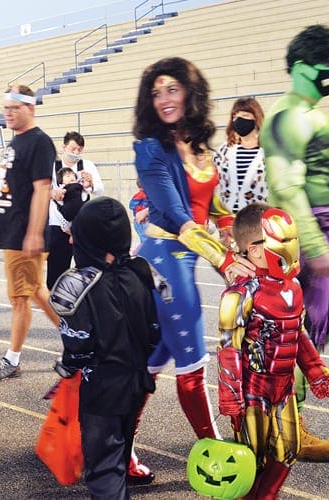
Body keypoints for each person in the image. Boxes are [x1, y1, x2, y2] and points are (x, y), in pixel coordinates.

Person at [132, 57, 256, 476]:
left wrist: (228, 233)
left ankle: (117, 449)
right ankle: (216, 456)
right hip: (165, 261)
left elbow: (215, 205)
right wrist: (224, 260)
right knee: (191, 361)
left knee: (152, 361)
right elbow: (172, 214)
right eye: (156, 92)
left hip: (187, 260)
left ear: (190, 91)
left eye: (172, 89)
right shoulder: (150, 148)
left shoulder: (201, 146)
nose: (164, 99)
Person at [217, 203, 329, 497]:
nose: (292, 247)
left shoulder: (292, 287)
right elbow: (228, 349)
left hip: (283, 389)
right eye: (284, 241)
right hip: (251, 392)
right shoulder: (240, 294)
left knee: (287, 450)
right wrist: (231, 395)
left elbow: (297, 333)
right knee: (250, 459)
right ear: (256, 249)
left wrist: (315, 370)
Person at [260, 24, 329, 462]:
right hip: (309, 242)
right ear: (302, 66)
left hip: (324, 235)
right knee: (300, 338)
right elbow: (289, 190)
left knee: (311, 337)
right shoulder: (288, 117)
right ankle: (291, 427)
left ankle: (287, 423)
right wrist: (317, 248)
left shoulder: (313, 113)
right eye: (326, 68)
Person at [52, 197, 160, 500]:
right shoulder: (141, 272)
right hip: (136, 382)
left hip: (100, 389)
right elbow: (156, 330)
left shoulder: (78, 284)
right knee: (120, 455)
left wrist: (68, 367)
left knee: (103, 470)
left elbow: (79, 345)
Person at [0, 84, 60, 382]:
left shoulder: (39, 142)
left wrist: (34, 232)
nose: (9, 113)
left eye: (15, 108)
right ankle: (78, 339)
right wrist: (1, 225)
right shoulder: (15, 143)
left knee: (20, 299)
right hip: (14, 229)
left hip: (26, 232)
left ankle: (12, 358)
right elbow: (10, 187)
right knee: (36, 292)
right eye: (6, 108)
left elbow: (42, 189)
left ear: (31, 108)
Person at [46, 131, 104, 289]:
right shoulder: (53, 166)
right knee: (57, 268)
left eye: (80, 149)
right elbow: (43, 189)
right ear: (63, 147)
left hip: (83, 223)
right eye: (73, 148)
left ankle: (87, 299)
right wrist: (53, 193)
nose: (76, 153)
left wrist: (91, 183)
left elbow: (99, 190)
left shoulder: (87, 165)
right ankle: (56, 301)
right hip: (58, 223)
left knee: (86, 265)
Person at [214, 97, 267, 250]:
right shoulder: (225, 150)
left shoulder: (268, 150)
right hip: (230, 224)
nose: (238, 120)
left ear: (255, 118)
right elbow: (214, 184)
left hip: (259, 222)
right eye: (235, 117)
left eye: (244, 116)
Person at [54, 167, 89, 236]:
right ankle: (71, 234)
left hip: (79, 211)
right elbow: (59, 200)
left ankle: (74, 235)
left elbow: (85, 191)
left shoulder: (78, 185)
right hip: (67, 212)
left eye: (73, 175)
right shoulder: (61, 188)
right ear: (61, 180)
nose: (71, 177)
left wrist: (85, 185)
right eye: (68, 176)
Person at [129, 179, 149, 244]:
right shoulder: (140, 195)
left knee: (145, 240)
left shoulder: (146, 194)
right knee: (145, 240)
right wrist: (141, 210)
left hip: (143, 221)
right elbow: (131, 205)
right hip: (141, 222)